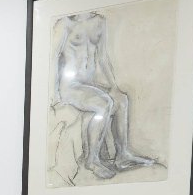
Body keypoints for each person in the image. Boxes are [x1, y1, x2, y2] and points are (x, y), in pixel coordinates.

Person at [51, 11, 157, 180]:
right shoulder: (65, 23)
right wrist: (54, 94)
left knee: (121, 99)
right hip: (70, 87)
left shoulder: (99, 21)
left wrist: (113, 86)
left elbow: (102, 58)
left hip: (89, 85)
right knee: (104, 103)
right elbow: (53, 58)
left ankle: (122, 155)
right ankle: (92, 160)